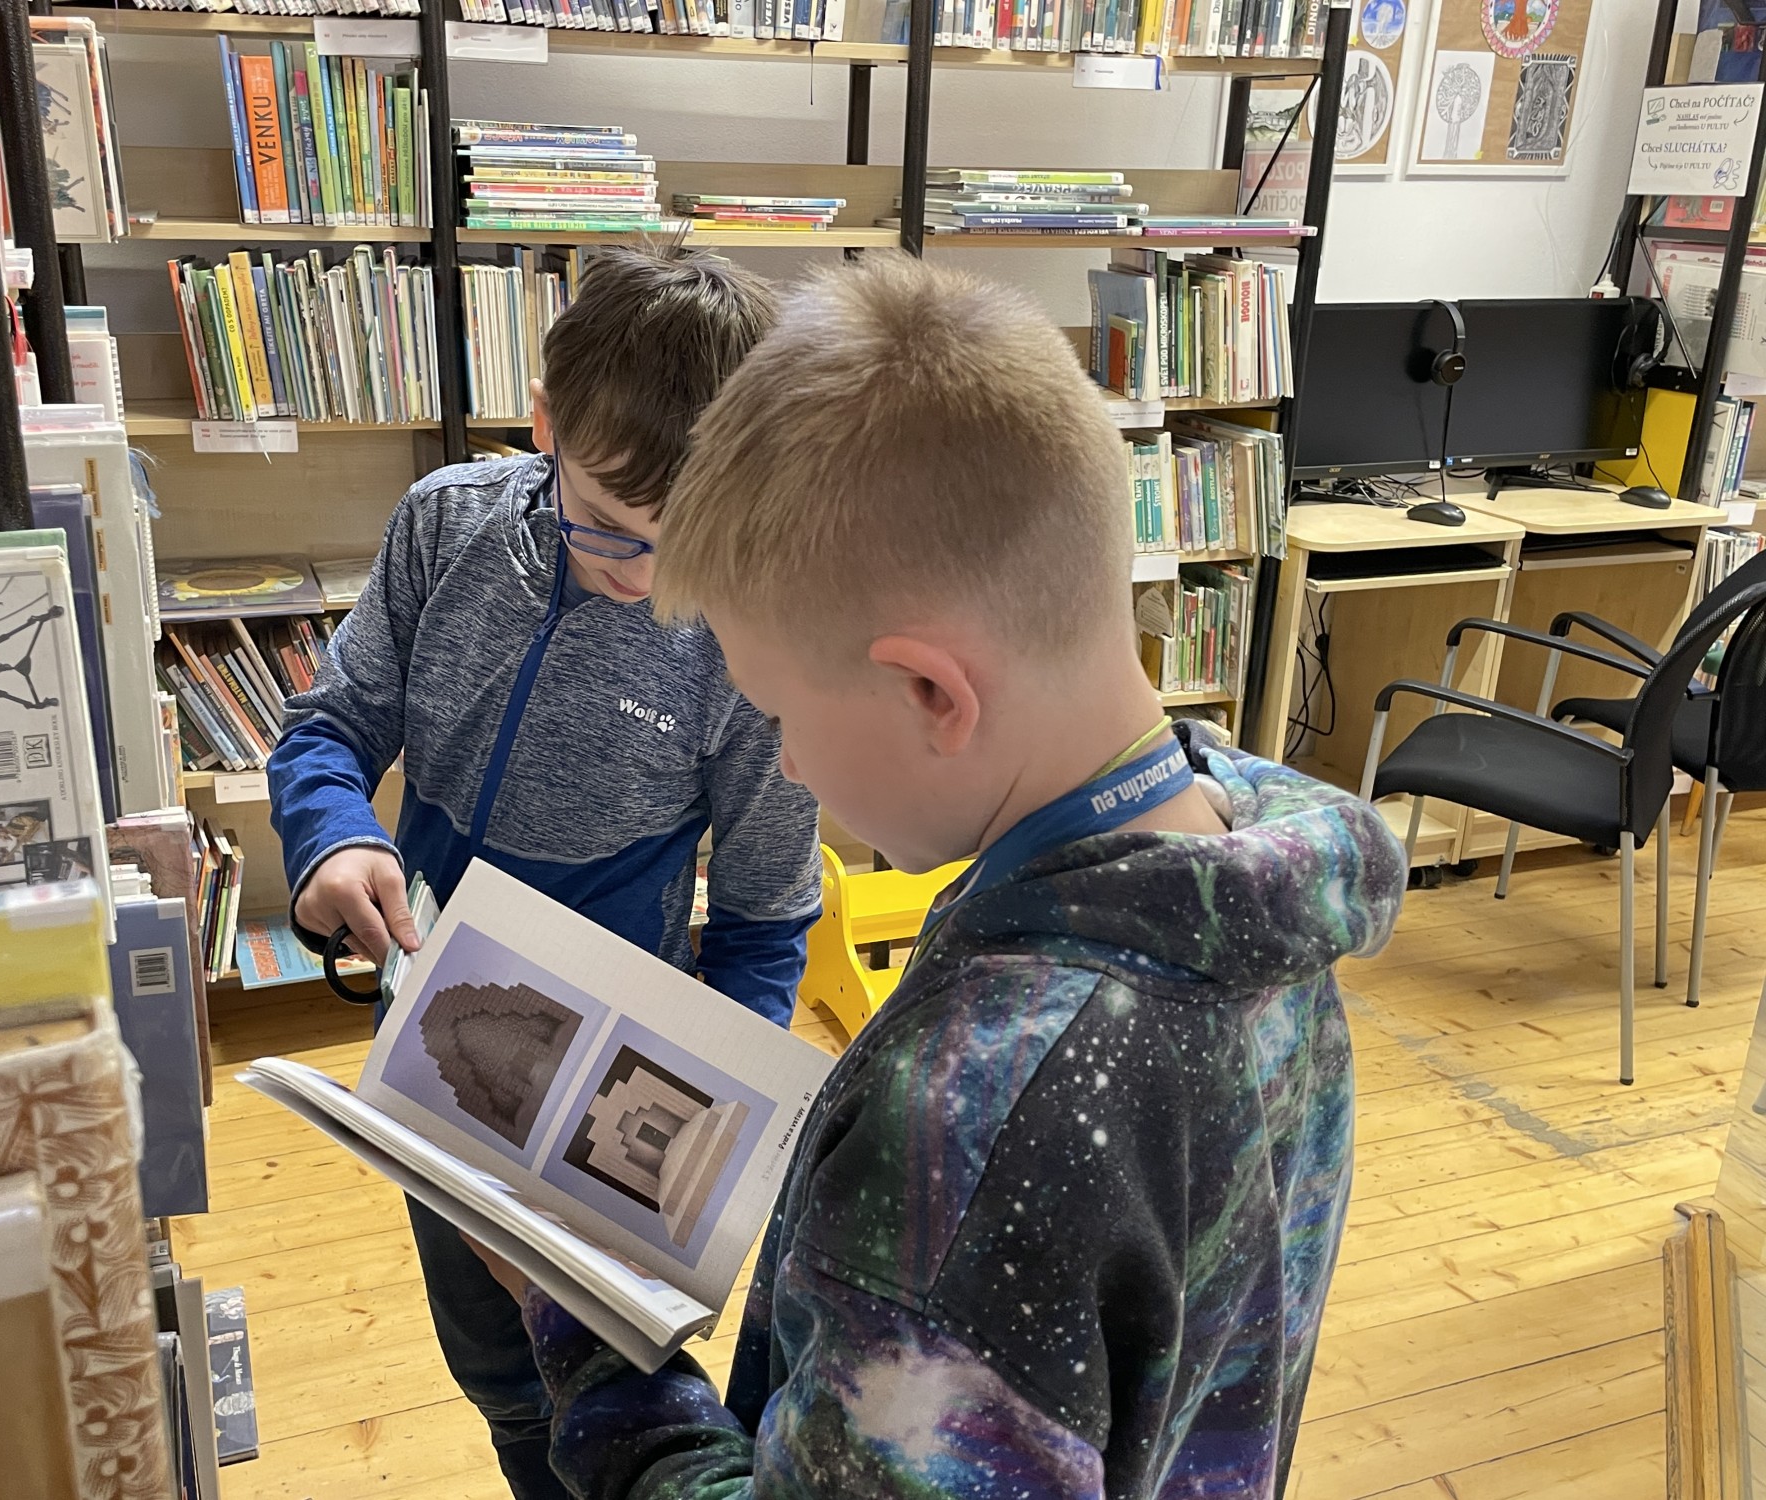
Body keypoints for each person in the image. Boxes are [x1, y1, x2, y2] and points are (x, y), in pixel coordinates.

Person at [471, 253, 1408, 1497]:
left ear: (928, 691)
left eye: (777, 714)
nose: (786, 765)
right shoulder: (1249, 887)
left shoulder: (970, 1126)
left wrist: (584, 1335)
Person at [266, 244, 822, 1500]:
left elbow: (763, 919)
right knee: (496, 1371)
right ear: (544, 426)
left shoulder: (746, 632)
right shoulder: (444, 525)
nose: (647, 580)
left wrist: (710, 1141)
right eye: (609, 530)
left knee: (611, 1388)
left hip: (614, 1096)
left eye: (689, 548)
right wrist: (334, 836)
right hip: (436, 1049)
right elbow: (328, 728)